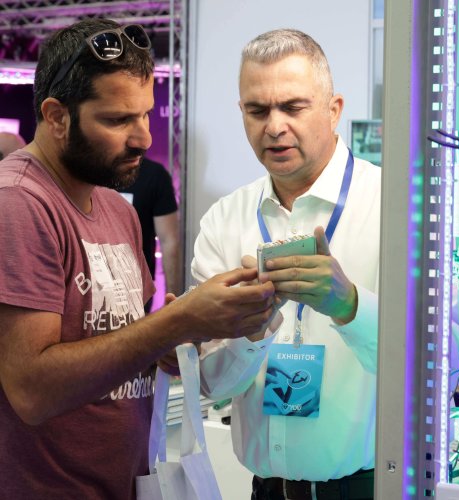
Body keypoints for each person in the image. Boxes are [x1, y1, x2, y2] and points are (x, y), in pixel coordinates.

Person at [0, 19, 276, 500]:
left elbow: (117, 349)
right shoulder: (19, 203)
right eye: (118, 120)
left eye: (146, 114)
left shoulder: (115, 208)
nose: (144, 138)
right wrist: (175, 322)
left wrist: (173, 341)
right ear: (57, 116)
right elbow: (32, 390)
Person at [191, 29, 381, 500]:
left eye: (293, 107)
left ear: (334, 110)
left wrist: (351, 307)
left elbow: (439, 364)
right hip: (266, 491)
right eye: (257, 111)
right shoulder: (224, 220)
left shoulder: (393, 208)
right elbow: (213, 386)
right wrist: (251, 333)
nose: (274, 126)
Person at [119, 156, 182, 311]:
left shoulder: (154, 175)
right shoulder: (88, 172)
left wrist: (173, 302)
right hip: (88, 284)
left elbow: (169, 241)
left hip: (137, 289)